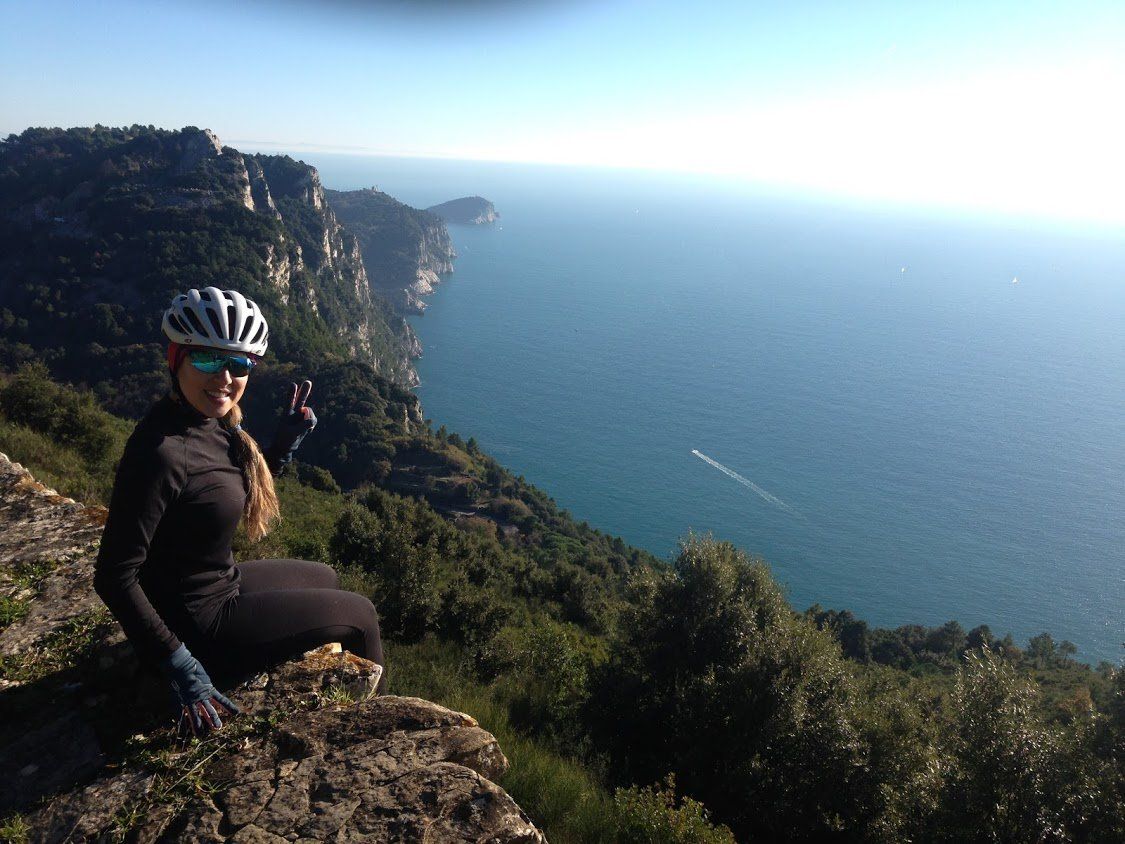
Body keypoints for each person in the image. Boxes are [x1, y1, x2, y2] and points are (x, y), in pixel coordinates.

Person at [94, 286, 386, 736]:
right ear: (176, 358)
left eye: (239, 364)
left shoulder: (211, 424)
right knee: (361, 615)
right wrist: (177, 662)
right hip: (199, 624)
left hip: (219, 583)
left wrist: (283, 444)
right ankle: (367, 734)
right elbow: (113, 574)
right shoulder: (161, 453)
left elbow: (222, 486)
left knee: (325, 576)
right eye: (208, 359)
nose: (225, 378)